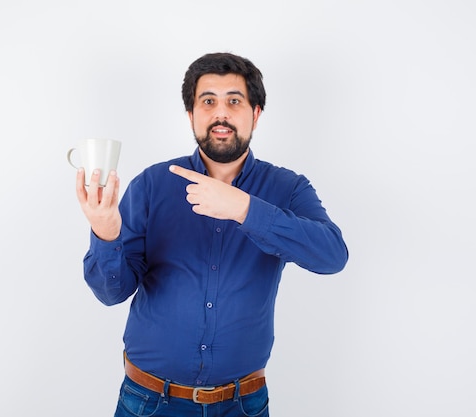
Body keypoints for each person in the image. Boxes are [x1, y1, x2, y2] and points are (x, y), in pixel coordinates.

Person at [75, 52, 348, 417]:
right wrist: (106, 233)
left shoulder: (288, 188)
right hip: (148, 402)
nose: (221, 113)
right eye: (208, 102)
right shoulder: (153, 185)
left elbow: (332, 256)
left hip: (242, 405)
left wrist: (245, 209)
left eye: (234, 101)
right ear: (191, 116)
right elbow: (111, 293)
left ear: (256, 114)